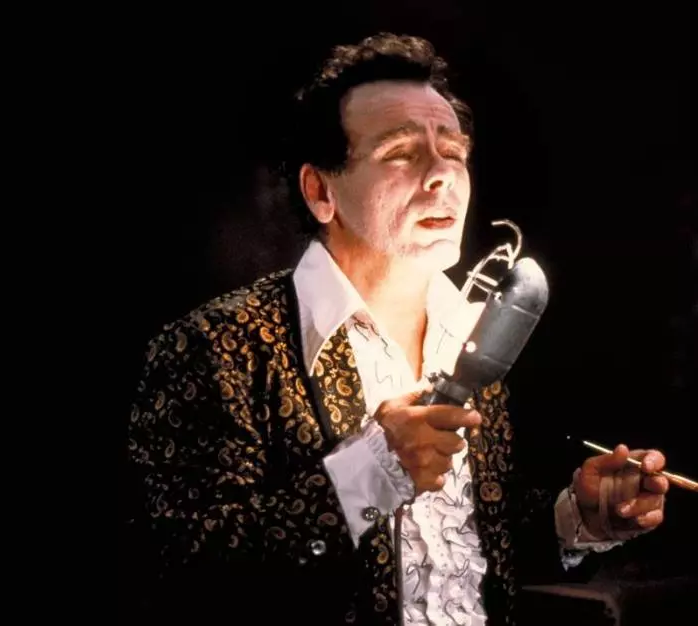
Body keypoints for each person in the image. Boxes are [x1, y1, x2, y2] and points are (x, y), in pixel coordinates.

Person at [123, 33, 669, 626]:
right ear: (321, 191)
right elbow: (184, 574)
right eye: (402, 153)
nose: (442, 177)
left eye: (453, 152)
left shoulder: (471, 333)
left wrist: (578, 517)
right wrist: (371, 472)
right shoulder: (216, 346)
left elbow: (467, 546)